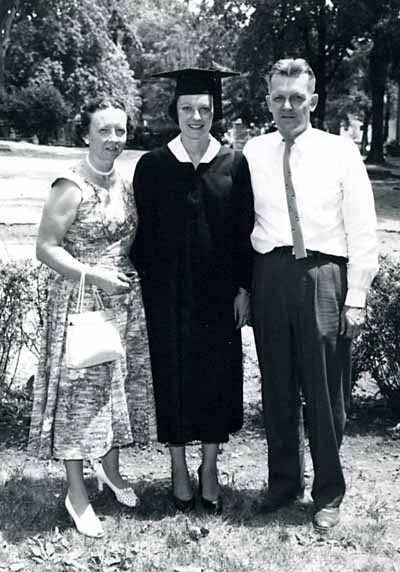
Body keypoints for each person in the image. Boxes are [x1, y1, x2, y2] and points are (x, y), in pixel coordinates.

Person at [243, 58, 379, 530]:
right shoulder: (254, 152)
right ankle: (283, 484)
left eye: (297, 97)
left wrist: (356, 294)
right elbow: (242, 225)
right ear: (268, 101)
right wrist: (245, 284)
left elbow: (362, 225)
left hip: (323, 275)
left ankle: (328, 492)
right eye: (278, 97)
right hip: (270, 274)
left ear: (313, 102)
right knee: (277, 385)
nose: (287, 105)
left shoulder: (340, 151)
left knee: (325, 389)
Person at [28, 96, 156, 538]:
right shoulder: (71, 184)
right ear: (86, 134)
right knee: (80, 400)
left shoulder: (123, 181)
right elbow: (45, 247)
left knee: (114, 391)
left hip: (121, 301)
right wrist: (93, 275)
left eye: (120, 130)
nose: (113, 139)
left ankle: (111, 470)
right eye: (104, 130)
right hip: (81, 301)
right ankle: (76, 494)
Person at [131, 68, 254, 514]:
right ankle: (179, 467)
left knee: (217, 376)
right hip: (167, 295)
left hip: (219, 296)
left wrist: (244, 287)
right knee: (174, 376)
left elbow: (244, 232)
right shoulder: (153, 165)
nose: (196, 116)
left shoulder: (234, 165)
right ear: (175, 111)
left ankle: (210, 467)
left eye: (204, 108)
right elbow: (140, 235)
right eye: (187, 108)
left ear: (214, 111)